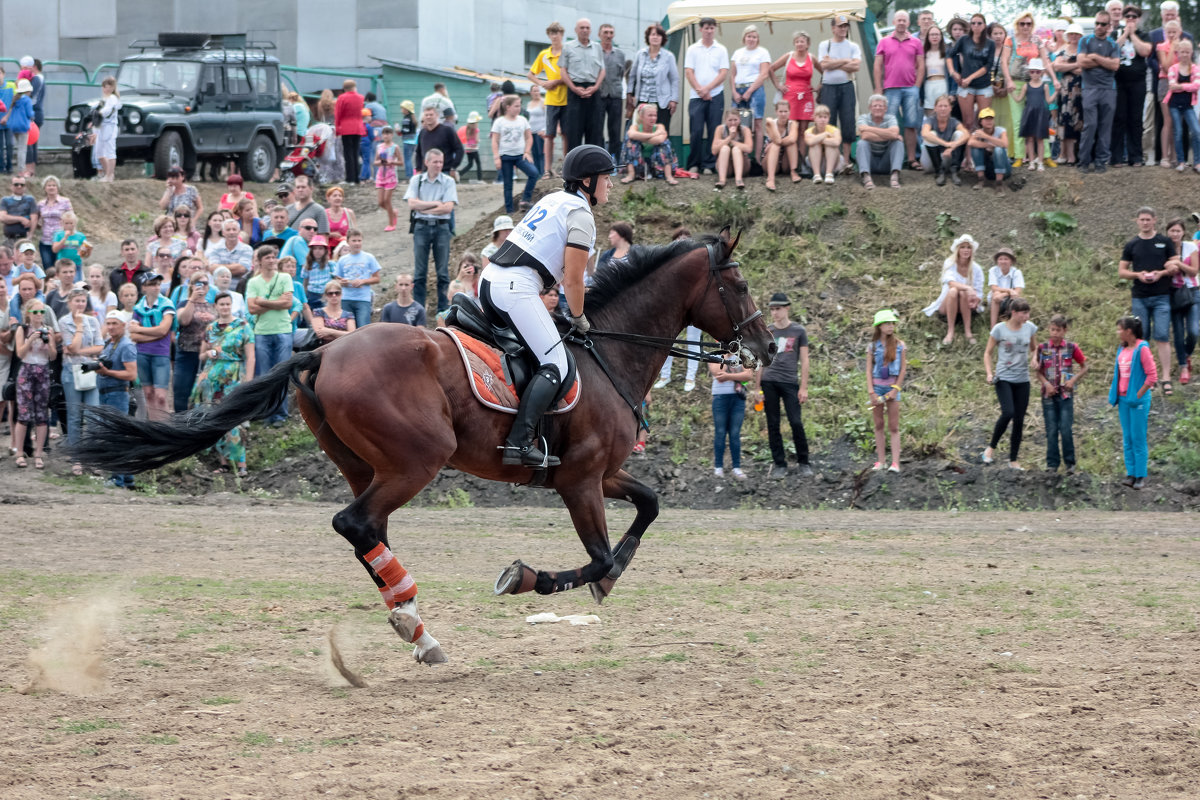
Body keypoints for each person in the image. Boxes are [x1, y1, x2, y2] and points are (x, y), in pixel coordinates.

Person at [480, 144, 612, 467]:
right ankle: (520, 442)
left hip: (491, 281)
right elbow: (574, 280)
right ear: (586, 181)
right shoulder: (581, 215)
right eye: (606, 177)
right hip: (516, 288)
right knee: (558, 363)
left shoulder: (554, 199)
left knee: (537, 354)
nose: (610, 184)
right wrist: (579, 317)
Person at [194, 292, 255, 477]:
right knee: (216, 418)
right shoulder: (211, 328)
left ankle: (241, 463)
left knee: (236, 419)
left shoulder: (243, 326)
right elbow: (201, 355)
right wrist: (210, 353)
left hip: (234, 375)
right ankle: (223, 463)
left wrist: (249, 381)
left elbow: (250, 356)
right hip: (213, 378)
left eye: (228, 304)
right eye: (222, 304)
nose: (225, 307)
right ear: (216, 306)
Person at [1120, 206, 1179, 392]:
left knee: (1162, 335)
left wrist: (1160, 273)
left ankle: (1166, 378)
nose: (1145, 222)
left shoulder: (1165, 241)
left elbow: (1175, 264)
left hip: (1162, 295)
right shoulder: (1132, 244)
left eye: (1148, 219)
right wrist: (1138, 275)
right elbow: (1122, 271)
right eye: (1142, 219)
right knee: (1141, 338)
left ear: (1155, 220)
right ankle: (1147, 377)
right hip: (1140, 297)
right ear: (1137, 221)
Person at [756, 292, 811, 479]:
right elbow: (761, 361)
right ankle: (779, 464)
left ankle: (804, 462)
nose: (775, 313)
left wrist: (804, 387)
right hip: (769, 381)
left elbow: (804, 361)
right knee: (773, 424)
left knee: (796, 422)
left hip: (789, 382)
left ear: (787, 308)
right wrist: (756, 388)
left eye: (778, 309)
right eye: (772, 309)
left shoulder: (799, 331)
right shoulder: (768, 331)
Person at [983, 297, 1036, 469]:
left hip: (1023, 379)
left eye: (1028, 313)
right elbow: (988, 353)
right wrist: (989, 373)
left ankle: (1013, 459)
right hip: (1004, 378)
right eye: (1024, 313)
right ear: (1014, 313)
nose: (1027, 316)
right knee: (1008, 412)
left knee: (1019, 420)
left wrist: (1035, 359)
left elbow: (1035, 349)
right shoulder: (999, 329)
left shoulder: (1030, 328)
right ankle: (990, 448)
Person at [1002, 11, 1059, 167]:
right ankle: (1020, 156)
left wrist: (1054, 78)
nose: (1025, 26)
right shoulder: (1010, 40)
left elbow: (1046, 61)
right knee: (1019, 120)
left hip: (1036, 83)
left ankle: (1046, 155)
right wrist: (1008, 81)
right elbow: (1004, 62)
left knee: (1041, 119)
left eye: (1028, 23)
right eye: (1022, 23)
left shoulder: (1037, 40)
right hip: (1017, 82)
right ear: (1017, 25)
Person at [405, 148, 458, 315]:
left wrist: (425, 207)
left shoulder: (448, 181)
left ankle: (443, 310)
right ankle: (419, 309)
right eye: (435, 162)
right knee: (420, 271)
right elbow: (412, 204)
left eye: (441, 162)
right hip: (421, 227)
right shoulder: (417, 180)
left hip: (442, 228)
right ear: (427, 162)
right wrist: (436, 204)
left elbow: (448, 208)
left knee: (442, 271)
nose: (438, 165)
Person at [245, 244, 293, 426]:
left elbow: (287, 303)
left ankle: (280, 414)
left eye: (274, 257)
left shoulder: (285, 277)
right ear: (260, 261)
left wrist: (263, 301)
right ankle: (267, 413)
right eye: (268, 258)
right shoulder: (253, 282)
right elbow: (251, 308)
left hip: (282, 329)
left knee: (282, 372)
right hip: (262, 331)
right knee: (265, 375)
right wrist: (276, 302)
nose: (272, 260)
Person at [58, 288, 103, 476]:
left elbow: (100, 346)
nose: (80, 304)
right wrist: (78, 326)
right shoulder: (64, 321)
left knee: (94, 416)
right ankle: (76, 458)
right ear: (70, 302)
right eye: (77, 301)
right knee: (75, 416)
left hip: (89, 370)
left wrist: (81, 352)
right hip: (71, 371)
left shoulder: (93, 320)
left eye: (83, 301)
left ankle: (92, 457)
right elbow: (72, 345)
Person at [1037, 314, 1089, 474]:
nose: (1054, 333)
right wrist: (1046, 384)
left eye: (1058, 330)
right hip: (1049, 394)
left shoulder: (1071, 348)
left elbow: (1085, 366)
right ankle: (1052, 464)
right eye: (1052, 330)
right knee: (1051, 429)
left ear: (1064, 331)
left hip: (1066, 394)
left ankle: (1070, 463)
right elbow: (1038, 371)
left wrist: (1073, 380)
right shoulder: (1043, 348)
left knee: (1065, 428)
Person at [1110, 315, 1157, 488]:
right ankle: (1130, 473)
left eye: (1120, 329)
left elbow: (1152, 376)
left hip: (1137, 400)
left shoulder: (1142, 348)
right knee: (1127, 436)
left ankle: (1140, 475)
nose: (1118, 332)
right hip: (1123, 399)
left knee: (1138, 437)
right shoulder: (1121, 349)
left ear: (1128, 331)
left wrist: (1139, 395)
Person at [874, 11, 925, 170]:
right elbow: (878, 65)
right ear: (894, 22)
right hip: (890, 88)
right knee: (889, 124)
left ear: (908, 23)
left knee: (911, 125)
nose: (901, 23)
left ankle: (911, 159)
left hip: (910, 88)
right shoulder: (884, 41)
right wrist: (877, 87)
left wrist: (917, 86)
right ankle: (888, 159)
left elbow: (921, 65)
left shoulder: (916, 42)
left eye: (904, 20)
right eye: (899, 20)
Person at [94, 309, 138, 488]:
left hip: (117, 393)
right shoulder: (109, 343)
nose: (111, 327)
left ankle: (117, 478)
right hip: (107, 393)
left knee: (115, 436)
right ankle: (127, 477)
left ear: (123, 325)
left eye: (114, 324)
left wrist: (107, 372)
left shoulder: (126, 346)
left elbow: (131, 374)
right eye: (108, 323)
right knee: (116, 435)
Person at [11, 298, 55, 469]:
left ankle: (39, 453)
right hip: (27, 370)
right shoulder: (22, 329)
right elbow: (20, 354)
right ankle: (19, 452)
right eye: (35, 312)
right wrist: (30, 340)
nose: (39, 315)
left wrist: (48, 342)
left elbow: (52, 356)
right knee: (23, 412)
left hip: (43, 371)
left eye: (41, 312)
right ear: (29, 313)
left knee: (42, 413)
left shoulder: (48, 329)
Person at [684, 17, 730, 174]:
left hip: (716, 95)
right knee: (696, 130)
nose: (709, 31)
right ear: (700, 29)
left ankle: (709, 164)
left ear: (715, 29)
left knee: (713, 130)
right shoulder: (692, 49)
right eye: (706, 28)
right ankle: (693, 163)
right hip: (696, 97)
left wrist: (708, 89)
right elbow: (689, 72)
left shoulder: (721, 49)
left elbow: (723, 73)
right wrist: (700, 90)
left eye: (712, 28)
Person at [817, 14, 862, 168]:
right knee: (828, 122)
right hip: (828, 87)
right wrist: (845, 61)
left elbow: (856, 66)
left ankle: (847, 161)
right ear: (833, 28)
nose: (843, 29)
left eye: (845, 26)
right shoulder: (825, 44)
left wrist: (833, 62)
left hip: (847, 86)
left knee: (848, 122)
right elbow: (823, 65)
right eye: (840, 26)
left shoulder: (852, 46)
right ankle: (832, 160)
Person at [129, 273, 175, 421]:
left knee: (161, 396)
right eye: (152, 284)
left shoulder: (166, 304)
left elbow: (164, 329)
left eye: (158, 284)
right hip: (142, 354)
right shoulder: (138, 307)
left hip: (160, 354)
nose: (156, 287)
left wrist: (140, 330)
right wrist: (157, 334)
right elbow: (133, 336)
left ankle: (166, 430)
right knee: (148, 394)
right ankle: (155, 429)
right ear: (144, 287)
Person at [1078, 12, 1120, 172]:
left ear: (1109, 26)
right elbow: (1081, 62)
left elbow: (1115, 66)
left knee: (1105, 127)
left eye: (1103, 24)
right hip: (1089, 88)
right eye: (1097, 23)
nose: (1098, 27)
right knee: (1090, 125)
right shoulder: (1085, 40)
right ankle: (1083, 161)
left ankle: (1101, 161)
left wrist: (1095, 57)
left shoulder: (1113, 44)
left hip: (1109, 89)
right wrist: (1105, 61)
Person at [924, 233, 984, 344]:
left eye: (968, 247)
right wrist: (968, 288)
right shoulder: (950, 263)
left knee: (963, 293)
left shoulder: (976, 269)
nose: (966, 250)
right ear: (958, 249)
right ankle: (950, 331)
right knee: (954, 290)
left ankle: (968, 331)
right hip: (948, 304)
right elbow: (951, 283)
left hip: (967, 304)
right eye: (962, 247)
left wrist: (976, 300)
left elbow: (979, 292)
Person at [772, 31, 820, 168]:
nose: (799, 44)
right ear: (794, 44)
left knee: (804, 129)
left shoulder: (812, 58)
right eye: (797, 41)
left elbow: (825, 71)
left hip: (806, 96)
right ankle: (788, 161)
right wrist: (778, 85)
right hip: (790, 97)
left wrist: (819, 86)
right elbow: (771, 68)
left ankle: (802, 162)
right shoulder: (789, 56)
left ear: (808, 44)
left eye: (802, 41)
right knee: (791, 127)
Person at [866, 309, 906, 472]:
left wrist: (895, 390)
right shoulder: (872, 347)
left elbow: (903, 369)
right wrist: (871, 392)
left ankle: (895, 462)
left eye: (892, 323)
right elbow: (868, 370)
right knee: (878, 424)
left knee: (894, 426)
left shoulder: (899, 346)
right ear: (879, 326)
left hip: (892, 387)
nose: (891, 326)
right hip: (877, 387)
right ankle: (881, 460)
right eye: (887, 323)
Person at [1112, 4, 1151, 167]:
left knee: (1135, 119)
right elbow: (1112, 49)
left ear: (1138, 19)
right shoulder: (1116, 33)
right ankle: (1117, 157)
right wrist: (1124, 34)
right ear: (1123, 18)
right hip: (1119, 82)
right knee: (1119, 118)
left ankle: (1136, 156)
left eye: (1134, 17)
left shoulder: (1144, 35)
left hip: (1137, 82)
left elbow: (1145, 51)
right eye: (1127, 16)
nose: (1130, 19)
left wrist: (1133, 35)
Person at [529, 22, 568, 178]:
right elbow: (531, 74)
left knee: (566, 135)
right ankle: (547, 169)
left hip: (567, 99)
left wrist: (556, 82)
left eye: (557, 33)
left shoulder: (567, 52)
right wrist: (542, 83)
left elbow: (572, 75)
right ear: (549, 35)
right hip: (551, 100)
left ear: (562, 35)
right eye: (552, 33)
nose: (555, 36)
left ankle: (566, 167)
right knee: (549, 135)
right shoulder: (544, 55)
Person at [627, 23, 681, 137]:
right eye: (653, 34)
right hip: (642, 100)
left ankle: (660, 155)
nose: (655, 37)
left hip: (662, 102)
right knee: (641, 131)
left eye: (658, 35)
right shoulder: (640, 54)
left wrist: (674, 100)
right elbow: (632, 75)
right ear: (648, 37)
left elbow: (675, 79)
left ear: (663, 38)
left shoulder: (669, 56)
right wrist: (629, 93)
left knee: (661, 133)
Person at [561, 18, 607, 150]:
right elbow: (563, 70)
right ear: (576, 30)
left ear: (591, 30)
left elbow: (602, 70)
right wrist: (574, 88)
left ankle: (592, 166)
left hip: (593, 90)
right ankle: (574, 167)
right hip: (575, 90)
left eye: (587, 28)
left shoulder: (597, 47)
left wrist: (596, 87)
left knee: (595, 130)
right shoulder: (568, 47)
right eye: (582, 28)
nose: (585, 30)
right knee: (574, 130)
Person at [949, 14, 997, 135]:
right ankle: (968, 153)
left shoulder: (990, 43)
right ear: (970, 26)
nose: (976, 26)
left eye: (979, 23)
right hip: (966, 87)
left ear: (984, 25)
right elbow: (949, 55)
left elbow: (988, 66)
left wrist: (970, 78)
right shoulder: (964, 40)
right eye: (973, 23)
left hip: (984, 85)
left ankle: (984, 150)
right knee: (968, 122)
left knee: (984, 121)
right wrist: (953, 72)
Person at [730, 25, 773, 162]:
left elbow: (764, 73)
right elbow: (732, 75)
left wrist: (750, 91)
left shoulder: (763, 52)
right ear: (744, 38)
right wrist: (734, 91)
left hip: (755, 90)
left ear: (757, 39)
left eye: (754, 37)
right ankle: (742, 157)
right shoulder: (737, 53)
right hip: (738, 90)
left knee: (757, 123)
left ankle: (758, 158)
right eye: (749, 36)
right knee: (737, 123)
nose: (751, 39)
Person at [709, 351, 755, 480]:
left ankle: (737, 467)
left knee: (735, 433)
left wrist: (728, 376)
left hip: (738, 398)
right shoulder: (714, 355)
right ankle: (718, 467)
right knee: (720, 432)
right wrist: (725, 356)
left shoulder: (743, 354)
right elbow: (718, 373)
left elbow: (748, 375)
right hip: (720, 397)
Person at [491, 95, 539, 214]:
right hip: (505, 157)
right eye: (516, 106)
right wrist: (496, 157)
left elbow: (529, 137)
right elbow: (495, 140)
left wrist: (527, 152)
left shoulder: (522, 120)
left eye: (519, 106)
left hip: (520, 156)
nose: (519, 108)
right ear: (508, 107)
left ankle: (525, 200)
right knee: (508, 185)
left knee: (534, 173)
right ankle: (509, 211)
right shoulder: (499, 122)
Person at [1165, 218, 1199, 384]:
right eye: (1172, 231)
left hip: (1192, 292)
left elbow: (1194, 271)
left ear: (1183, 232)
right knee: (1178, 332)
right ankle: (1183, 367)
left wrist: (1177, 262)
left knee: (1193, 331)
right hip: (1173, 293)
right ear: (1167, 232)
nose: (1175, 234)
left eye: (1178, 231)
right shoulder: (1164, 247)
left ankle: (1186, 354)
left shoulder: (1191, 247)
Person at [174, 273, 214, 413]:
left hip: (207, 354)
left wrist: (212, 319)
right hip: (186, 352)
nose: (202, 286)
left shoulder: (213, 306)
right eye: (198, 283)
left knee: (205, 392)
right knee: (182, 390)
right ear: (191, 285)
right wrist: (192, 299)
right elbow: (183, 320)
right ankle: (180, 424)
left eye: (205, 283)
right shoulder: (184, 303)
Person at [620, 104, 680, 184]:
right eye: (650, 115)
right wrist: (653, 135)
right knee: (629, 141)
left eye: (655, 115)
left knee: (665, 143)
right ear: (641, 116)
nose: (653, 118)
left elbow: (661, 139)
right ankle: (631, 174)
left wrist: (641, 138)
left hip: (656, 165)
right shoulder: (636, 127)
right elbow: (631, 134)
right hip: (639, 164)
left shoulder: (659, 126)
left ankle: (668, 176)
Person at [1053, 23, 1086, 165]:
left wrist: (1067, 65)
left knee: (1077, 120)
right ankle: (1064, 153)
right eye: (1071, 34)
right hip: (1066, 90)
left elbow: (1083, 68)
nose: (1074, 37)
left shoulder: (1084, 50)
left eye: (1076, 34)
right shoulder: (1063, 49)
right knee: (1064, 119)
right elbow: (1057, 66)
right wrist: (1074, 66)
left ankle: (1073, 154)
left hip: (1080, 90)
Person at [1165, 39, 1200, 172]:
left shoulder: (1195, 68)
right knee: (1178, 132)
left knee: (1196, 131)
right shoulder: (1173, 68)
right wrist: (1186, 87)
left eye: (1187, 52)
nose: (1185, 54)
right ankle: (1181, 161)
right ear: (1178, 53)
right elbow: (1171, 85)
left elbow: (1197, 85)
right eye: (1182, 52)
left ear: (1191, 53)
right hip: (1174, 104)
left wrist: (1180, 86)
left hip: (1188, 105)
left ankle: (1197, 162)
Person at [856, 94, 905, 189]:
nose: (878, 108)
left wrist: (869, 128)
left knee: (898, 143)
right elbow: (865, 136)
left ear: (885, 108)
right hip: (870, 162)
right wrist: (890, 135)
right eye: (875, 105)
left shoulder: (891, 118)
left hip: (886, 162)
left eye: (881, 106)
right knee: (862, 143)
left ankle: (895, 176)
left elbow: (894, 133)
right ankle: (866, 177)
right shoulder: (863, 118)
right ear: (870, 107)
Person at [922, 94, 968, 184]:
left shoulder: (954, 121)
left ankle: (954, 170)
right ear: (935, 108)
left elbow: (966, 134)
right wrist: (946, 144)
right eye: (940, 106)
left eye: (946, 106)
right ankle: (939, 171)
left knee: (960, 134)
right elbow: (924, 133)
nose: (943, 108)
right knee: (930, 134)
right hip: (932, 160)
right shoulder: (930, 120)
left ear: (950, 108)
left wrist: (953, 146)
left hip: (948, 156)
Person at [1015, 58, 1053, 169]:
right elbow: (1018, 99)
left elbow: (1049, 100)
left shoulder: (1044, 86)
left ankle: (1040, 162)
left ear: (1041, 73)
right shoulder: (1026, 86)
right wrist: (1011, 92)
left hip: (1041, 113)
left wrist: (1056, 92)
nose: (1035, 74)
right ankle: (1031, 162)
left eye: (1037, 71)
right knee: (1030, 139)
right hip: (1029, 113)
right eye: (1032, 71)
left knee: (1040, 139)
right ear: (1029, 73)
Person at [597, 23, 627, 160]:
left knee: (615, 129)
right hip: (599, 94)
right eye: (605, 32)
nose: (608, 35)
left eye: (611, 32)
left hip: (615, 95)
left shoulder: (620, 54)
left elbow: (621, 74)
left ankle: (614, 158)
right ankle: (599, 158)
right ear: (599, 34)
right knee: (597, 129)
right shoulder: (595, 52)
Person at [968, 107, 1011, 191]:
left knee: (999, 150)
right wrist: (989, 145)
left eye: (991, 118)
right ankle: (981, 179)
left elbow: (1005, 144)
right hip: (988, 169)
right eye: (986, 119)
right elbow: (970, 143)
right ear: (980, 121)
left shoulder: (1001, 130)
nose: (989, 121)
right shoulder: (978, 132)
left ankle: (999, 184)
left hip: (1004, 168)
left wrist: (986, 137)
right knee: (975, 148)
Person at [413, 106, 464, 176]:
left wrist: (453, 167)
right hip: (426, 173)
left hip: (444, 172)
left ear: (437, 116)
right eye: (426, 115)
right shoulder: (422, 133)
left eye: (431, 115)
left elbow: (459, 149)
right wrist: (418, 169)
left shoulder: (447, 130)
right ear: (423, 117)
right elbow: (418, 152)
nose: (428, 117)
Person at [763, 100, 801, 190]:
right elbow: (777, 140)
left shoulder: (793, 124)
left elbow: (791, 138)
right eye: (780, 111)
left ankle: (793, 171)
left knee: (791, 144)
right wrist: (772, 124)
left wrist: (777, 143)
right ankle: (770, 179)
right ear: (776, 112)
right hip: (770, 162)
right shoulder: (770, 124)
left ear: (789, 112)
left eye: (785, 111)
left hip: (785, 162)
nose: (783, 114)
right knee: (775, 146)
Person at [711, 109, 753, 190]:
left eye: (735, 120)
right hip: (726, 167)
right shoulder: (720, 129)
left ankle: (739, 180)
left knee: (736, 149)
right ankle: (722, 180)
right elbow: (714, 150)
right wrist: (729, 137)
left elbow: (749, 149)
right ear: (725, 120)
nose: (733, 123)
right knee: (725, 148)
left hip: (743, 165)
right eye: (730, 120)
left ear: (740, 119)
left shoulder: (745, 130)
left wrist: (731, 142)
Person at [334, 79, 366, 185]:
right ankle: (356, 178)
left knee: (348, 154)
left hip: (346, 128)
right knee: (355, 153)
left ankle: (350, 178)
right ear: (354, 87)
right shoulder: (361, 98)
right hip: (358, 127)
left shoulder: (341, 98)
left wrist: (337, 128)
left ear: (344, 88)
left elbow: (338, 114)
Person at [206, 219, 253, 290]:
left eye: (234, 229)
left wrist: (219, 269)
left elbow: (242, 269)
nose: (231, 232)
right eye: (228, 230)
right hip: (218, 290)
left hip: (239, 289)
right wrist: (234, 266)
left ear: (239, 231)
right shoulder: (215, 248)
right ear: (223, 232)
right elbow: (212, 269)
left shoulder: (247, 249)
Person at [1, 79, 33, 178]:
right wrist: (33, 116)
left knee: (17, 147)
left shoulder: (15, 98)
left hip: (14, 126)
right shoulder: (27, 100)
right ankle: (21, 171)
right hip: (23, 127)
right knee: (22, 149)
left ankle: (15, 169)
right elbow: (30, 113)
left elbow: (10, 110)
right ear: (27, 90)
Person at [987, 247, 1026, 327]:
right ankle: (993, 327)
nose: (1003, 261)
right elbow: (994, 288)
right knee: (996, 294)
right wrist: (1008, 291)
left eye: (1006, 259)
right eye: (1000, 259)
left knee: (1016, 297)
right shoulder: (993, 270)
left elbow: (1018, 290)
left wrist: (1003, 295)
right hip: (995, 299)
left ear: (1011, 261)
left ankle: (1016, 325)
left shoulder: (1016, 272)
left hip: (1009, 298)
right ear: (997, 261)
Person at [805, 104, 842, 184]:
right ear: (814, 118)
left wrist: (816, 138)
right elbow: (810, 142)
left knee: (831, 145)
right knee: (814, 145)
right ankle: (816, 175)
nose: (823, 120)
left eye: (825, 117)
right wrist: (825, 134)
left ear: (828, 118)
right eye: (820, 117)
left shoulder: (834, 130)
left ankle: (829, 174)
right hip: (816, 162)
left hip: (832, 162)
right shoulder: (808, 131)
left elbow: (837, 142)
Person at [373, 126, 401, 232]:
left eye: (388, 133)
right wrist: (381, 162)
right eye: (384, 133)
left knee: (387, 200)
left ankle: (391, 223)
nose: (386, 135)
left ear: (392, 135)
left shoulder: (395, 147)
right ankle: (393, 212)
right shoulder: (379, 147)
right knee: (380, 202)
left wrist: (392, 162)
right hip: (380, 176)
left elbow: (401, 162)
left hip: (391, 177)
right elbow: (375, 162)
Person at [1, 173, 37, 247]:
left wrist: (30, 235)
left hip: (24, 238)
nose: (19, 186)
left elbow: (34, 219)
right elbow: (3, 217)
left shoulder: (30, 199)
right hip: (8, 238)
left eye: (22, 185)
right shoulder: (5, 200)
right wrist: (21, 219)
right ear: (11, 186)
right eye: (16, 184)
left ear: (25, 187)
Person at [923, 25, 950, 114]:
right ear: (928, 37)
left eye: (937, 34)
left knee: (944, 111)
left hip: (943, 84)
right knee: (930, 113)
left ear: (941, 36)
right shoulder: (923, 53)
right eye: (932, 34)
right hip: (929, 85)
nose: (935, 37)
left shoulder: (947, 51)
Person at [398, 99, 419, 178]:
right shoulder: (413, 118)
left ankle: (409, 176)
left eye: (402, 108)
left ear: (406, 109)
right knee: (411, 159)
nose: (401, 110)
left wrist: (399, 130)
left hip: (407, 140)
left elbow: (405, 130)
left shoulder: (406, 118)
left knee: (407, 159)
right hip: (414, 140)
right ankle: (412, 175)